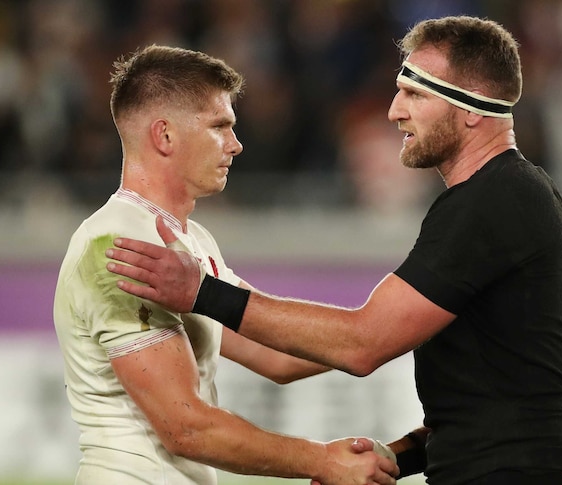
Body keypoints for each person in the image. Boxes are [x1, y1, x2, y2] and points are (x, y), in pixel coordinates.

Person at [107, 16, 562, 485]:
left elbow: (363, 343)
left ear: (473, 108)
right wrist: (392, 458)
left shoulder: (494, 200)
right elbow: (490, 407)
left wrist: (202, 293)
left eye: (415, 93)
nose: (395, 111)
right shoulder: (506, 197)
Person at [52, 44, 398, 485]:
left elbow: (276, 355)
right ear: (165, 136)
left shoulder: (192, 242)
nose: (236, 144)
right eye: (220, 126)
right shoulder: (118, 246)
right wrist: (322, 460)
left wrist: (399, 327)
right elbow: (186, 427)